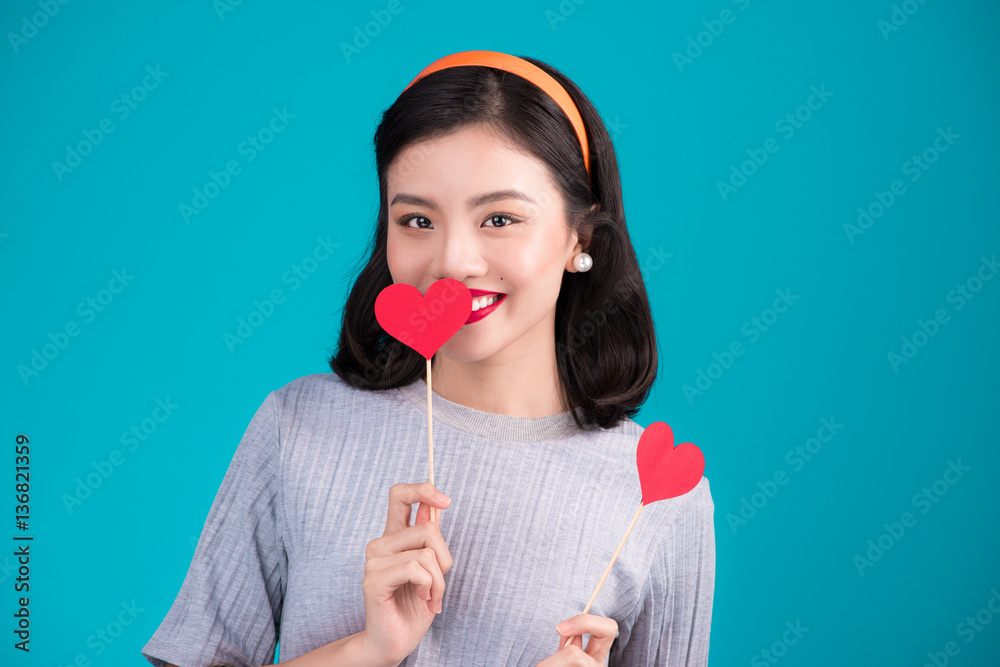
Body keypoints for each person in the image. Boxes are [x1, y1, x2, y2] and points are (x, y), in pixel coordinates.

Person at [141, 50, 714, 667]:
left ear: (583, 238)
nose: (452, 263)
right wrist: (367, 652)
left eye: (499, 218)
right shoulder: (296, 427)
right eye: (417, 219)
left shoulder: (659, 498)